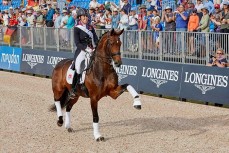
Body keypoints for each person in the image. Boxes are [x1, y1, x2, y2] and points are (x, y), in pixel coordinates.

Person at [70, 8, 99, 97]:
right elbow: (77, 43)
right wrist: (87, 49)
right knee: (78, 67)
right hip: (82, 51)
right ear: (79, 17)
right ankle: (74, 88)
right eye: (84, 16)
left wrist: (95, 48)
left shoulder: (91, 28)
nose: (85, 18)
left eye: (87, 16)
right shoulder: (77, 29)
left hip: (93, 50)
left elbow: (96, 39)